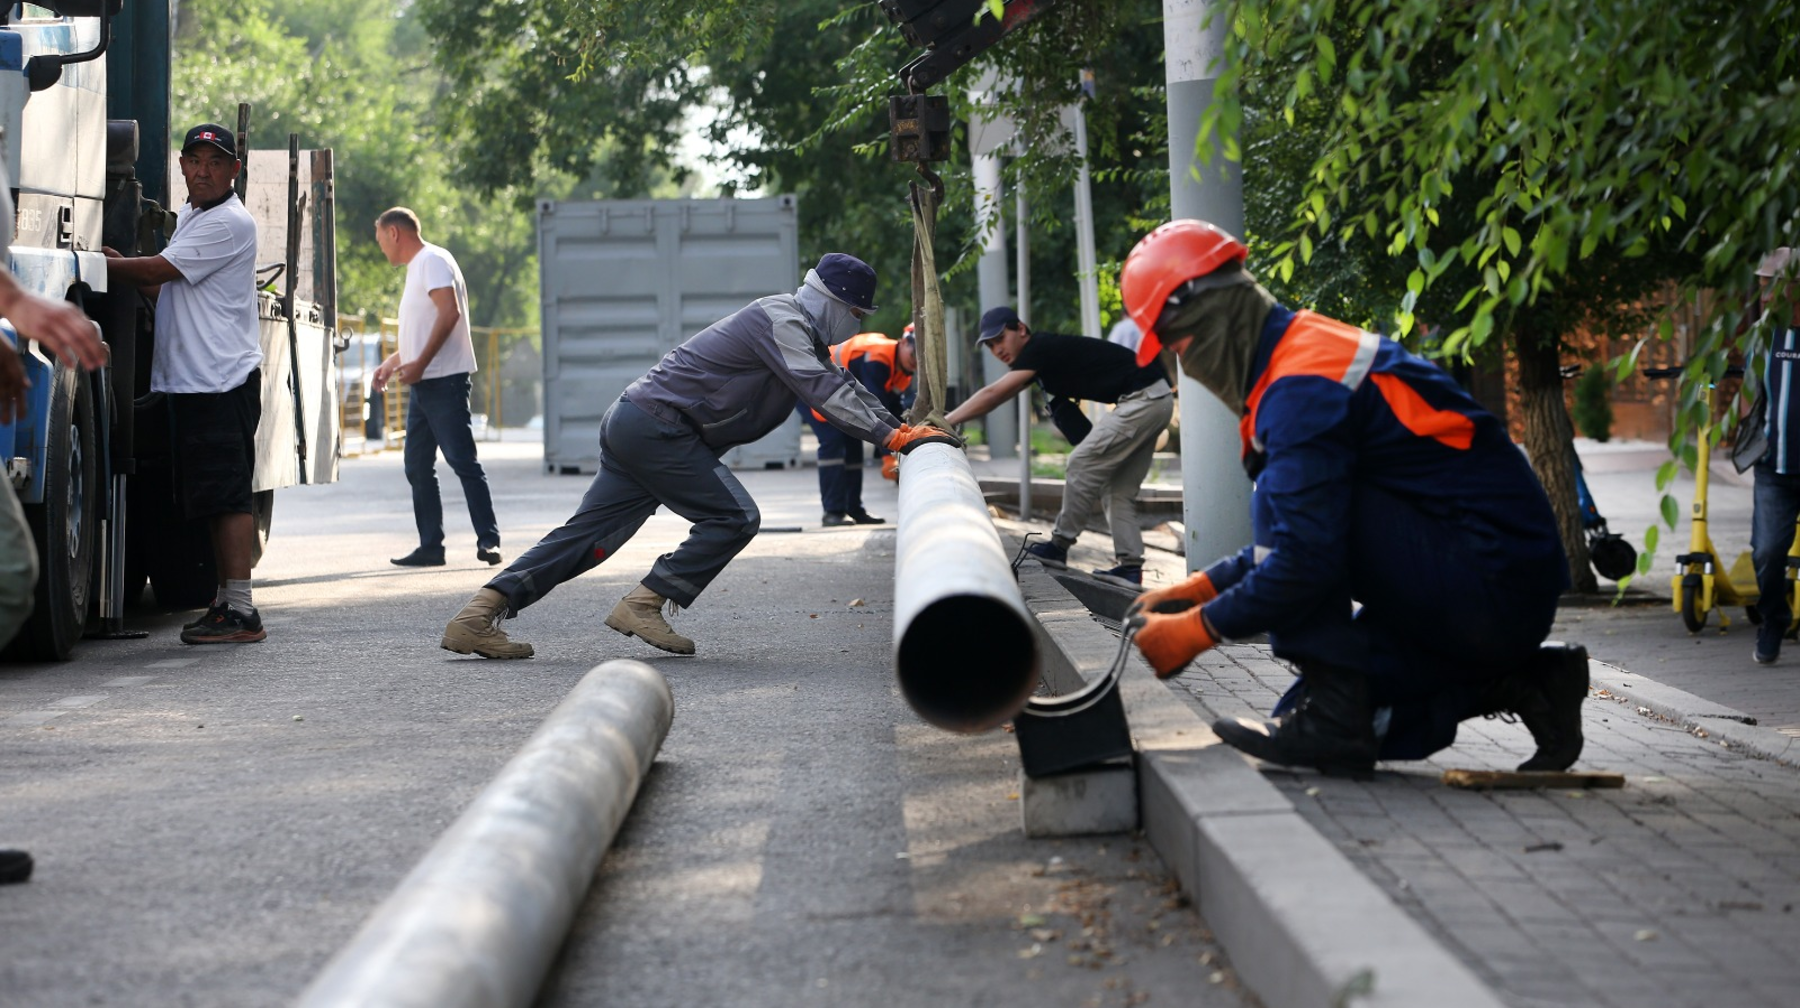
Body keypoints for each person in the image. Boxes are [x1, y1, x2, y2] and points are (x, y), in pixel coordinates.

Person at [1117, 219, 1586, 775]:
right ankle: (1531, 683)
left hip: (1491, 584)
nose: (1184, 364)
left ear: (1211, 312)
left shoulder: (1301, 388)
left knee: (1276, 506)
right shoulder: (1298, 357)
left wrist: (1199, 630)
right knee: (1319, 720)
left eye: (1176, 344)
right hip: (1478, 579)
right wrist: (1202, 587)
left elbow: (1304, 555)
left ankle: (1349, 714)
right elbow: (1318, 526)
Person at [439, 253, 956, 659]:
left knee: (585, 537)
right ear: (832, 303)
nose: (856, 324)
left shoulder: (800, 333)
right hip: (658, 429)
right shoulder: (780, 319)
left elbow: (837, 382)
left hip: (640, 424)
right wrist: (894, 440)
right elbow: (822, 387)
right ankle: (643, 603)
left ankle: (475, 617)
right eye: (856, 314)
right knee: (734, 517)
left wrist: (903, 429)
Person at [104, 124, 266, 645]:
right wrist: (118, 263)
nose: (202, 170)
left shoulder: (228, 223)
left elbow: (156, 268)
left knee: (227, 498)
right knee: (211, 498)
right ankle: (225, 601)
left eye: (214, 162)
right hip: (199, 381)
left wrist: (101, 266)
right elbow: (157, 281)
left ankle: (241, 611)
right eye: (194, 160)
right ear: (181, 166)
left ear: (233, 171)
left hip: (220, 380)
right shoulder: (198, 217)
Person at [944, 306, 1174, 587]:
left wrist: (946, 420)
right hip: (1154, 398)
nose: (997, 349)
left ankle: (1059, 546)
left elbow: (994, 394)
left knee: (1080, 462)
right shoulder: (1039, 361)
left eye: (1000, 338)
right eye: (990, 346)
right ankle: (1129, 567)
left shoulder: (1038, 348)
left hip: (1143, 400)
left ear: (1022, 330)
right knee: (1116, 488)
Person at [372, 208, 502, 568]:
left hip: (443, 381)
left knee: (463, 461)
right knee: (416, 465)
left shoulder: (432, 260)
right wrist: (393, 363)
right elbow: (425, 328)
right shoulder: (421, 266)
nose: (381, 247)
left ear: (395, 233)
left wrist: (421, 365)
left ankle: (488, 540)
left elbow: (450, 314)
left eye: (381, 238)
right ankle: (431, 545)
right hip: (426, 383)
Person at [802, 328, 916, 525]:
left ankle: (854, 508)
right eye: (914, 354)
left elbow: (892, 407)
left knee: (853, 442)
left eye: (920, 360)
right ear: (904, 342)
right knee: (833, 442)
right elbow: (876, 407)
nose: (915, 362)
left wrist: (906, 437)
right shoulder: (877, 358)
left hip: (836, 394)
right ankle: (833, 512)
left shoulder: (901, 370)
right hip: (815, 385)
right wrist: (888, 456)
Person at [1747, 246, 1800, 665]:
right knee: (1766, 553)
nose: (1764, 297)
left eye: (1772, 287)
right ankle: (1774, 618)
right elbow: (1751, 392)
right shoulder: (1764, 337)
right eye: (1763, 287)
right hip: (1774, 470)